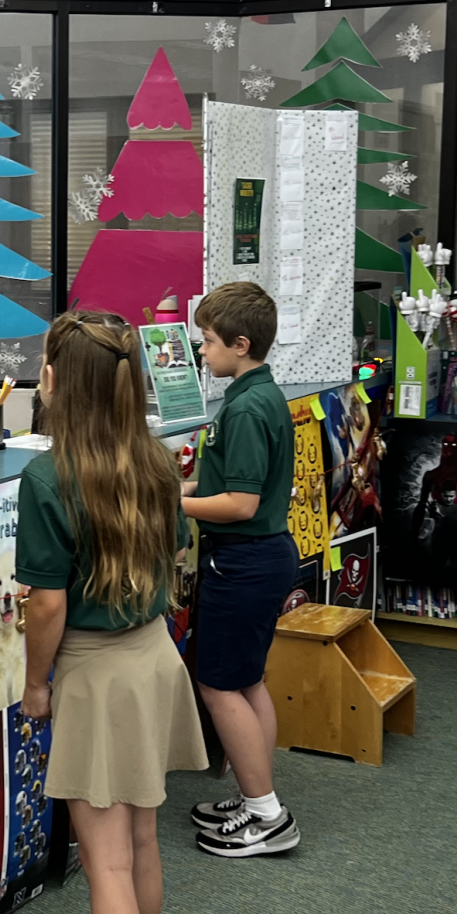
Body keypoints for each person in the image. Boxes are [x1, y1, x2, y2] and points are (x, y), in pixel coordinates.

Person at [16, 311, 207, 914]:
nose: (37, 378)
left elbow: (46, 607)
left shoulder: (49, 477)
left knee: (107, 863)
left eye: (45, 368)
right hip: (153, 657)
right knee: (137, 840)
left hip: (95, 671)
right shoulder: (156, 461)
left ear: (62, 382)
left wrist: (34, 684)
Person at [182, 281, 303, 858]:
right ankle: (256, 794)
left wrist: (169, 503)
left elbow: (240, 504)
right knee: (247, 680)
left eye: (207, 342)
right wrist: (176, 486)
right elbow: (224, 483)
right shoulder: (255, 394)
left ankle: (267, 817)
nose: (201, 352)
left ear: (240, 343)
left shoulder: (248, 406)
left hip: (245, 560)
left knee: (219, 683)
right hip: (259, 559)